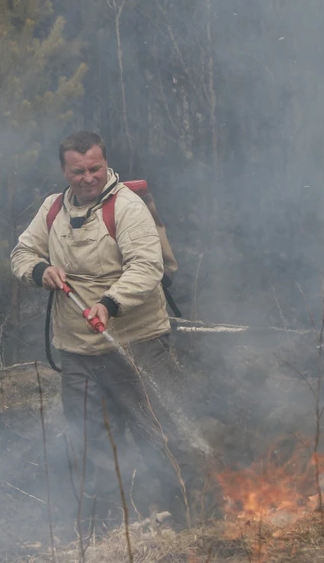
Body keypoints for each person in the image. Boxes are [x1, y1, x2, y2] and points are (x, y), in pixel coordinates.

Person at [10, 130, 199, 524]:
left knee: (157, 434)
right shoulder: (52, 210)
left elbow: (147, 267)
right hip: (77, 353)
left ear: (105, 163)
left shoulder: (127, 208)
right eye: (78, 171)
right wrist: (41, 270)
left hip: (137, 343)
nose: (88, 177)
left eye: (95, 168)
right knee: (90, 443)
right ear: (64, 170)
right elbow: (22, 252)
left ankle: (184, 520)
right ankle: (111, 529)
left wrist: (108, 305)